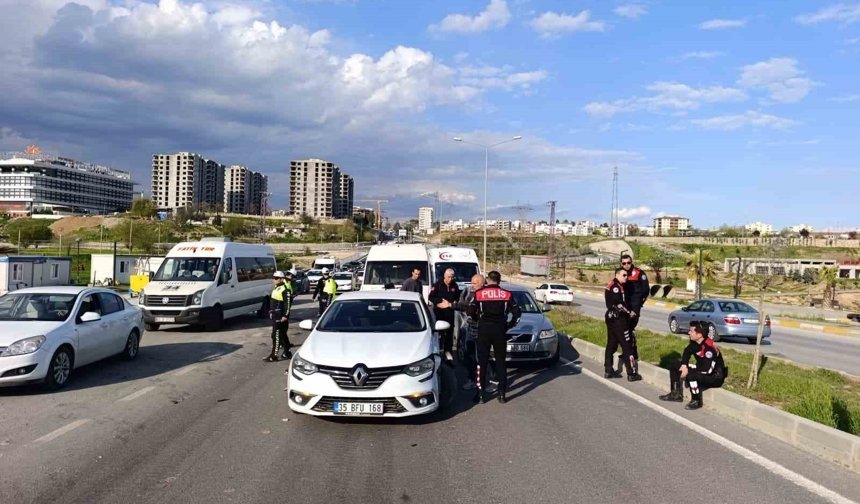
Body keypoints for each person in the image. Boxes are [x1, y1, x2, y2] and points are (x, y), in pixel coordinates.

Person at [467, 271, 522, 404]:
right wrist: (509, 325)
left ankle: (480, 395)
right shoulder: (507, 294)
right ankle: (502, 394)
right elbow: (517, 314)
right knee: (500, 362)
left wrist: (478, 319)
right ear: (499, 280)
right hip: (500, 330)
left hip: (484, 330)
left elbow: (470, 312)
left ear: (487, 280)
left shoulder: (479, 294)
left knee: (482, 362)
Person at [660, 321, 726, 410]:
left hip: (714, 376)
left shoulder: (709, 348)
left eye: (691, 331)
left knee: (692, 375)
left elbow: (708, 370)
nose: (688, 333)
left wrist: (689, 371)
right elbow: (687, 351)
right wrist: (684, 366)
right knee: (675, 365)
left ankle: (696, 400)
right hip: (702, 369)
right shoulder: (695, 342)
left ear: (699, 335)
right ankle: (675, 394)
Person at [604, 268, 642, 382]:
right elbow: (618, 303)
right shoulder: (615, 286)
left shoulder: (615, 285)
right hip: (619, 319)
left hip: (611, 318)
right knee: (627, 345)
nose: (626, 277)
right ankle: (631, 373)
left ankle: (608, 370)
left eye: (627, 275)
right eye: (624, 275)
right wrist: (629, 312)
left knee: (611, 344)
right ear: (617, 275)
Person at [618, 253, 649, 373]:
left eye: (628, 263)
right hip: (624, 306)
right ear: (621, 264)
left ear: (632, 262)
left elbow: (646, 291)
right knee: (624, 329)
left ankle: (632, 353)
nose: (626, 265)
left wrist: (638, 306)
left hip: (634, 307)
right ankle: (627, 352)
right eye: (624, 263)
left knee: (630, 329)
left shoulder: (639, 273)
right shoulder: (620, 273)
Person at [455, 274, 485, 390]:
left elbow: (471, 310)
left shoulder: (484, 295)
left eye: (474, 283)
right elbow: (464, 306)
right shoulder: (469, 292)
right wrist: (453, 305)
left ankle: (485, 380)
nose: (472, 286)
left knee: (482, 357)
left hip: (482, 330)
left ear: (481, 283)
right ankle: (471, 379)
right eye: (472, 283)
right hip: (470, 328)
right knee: (469, 355)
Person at [429, 268, 461, 364]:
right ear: (444, 276)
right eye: (448, 277)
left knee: (449, 336)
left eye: (452, 277)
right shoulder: (438, 285)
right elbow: (431, 297)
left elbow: (457, 297)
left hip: (450, 313)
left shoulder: (454, 285)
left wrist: (453, 303)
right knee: (439, 335)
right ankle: (437, 354)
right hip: (439, 314)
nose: (450, 279)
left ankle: (448, 356)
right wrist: (439, 302)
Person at [265, 271, 292, 362]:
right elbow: (274, 301)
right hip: (275, 315)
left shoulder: (285, 289)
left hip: (280, 316)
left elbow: (287, 304)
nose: (274, 280)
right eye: (273, 278)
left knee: (276, 335)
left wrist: (285, 315)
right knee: (282, 335)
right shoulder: (276, 288)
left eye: (276, 278)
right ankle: (287, 352)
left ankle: (274, 355)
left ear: (281, 279)